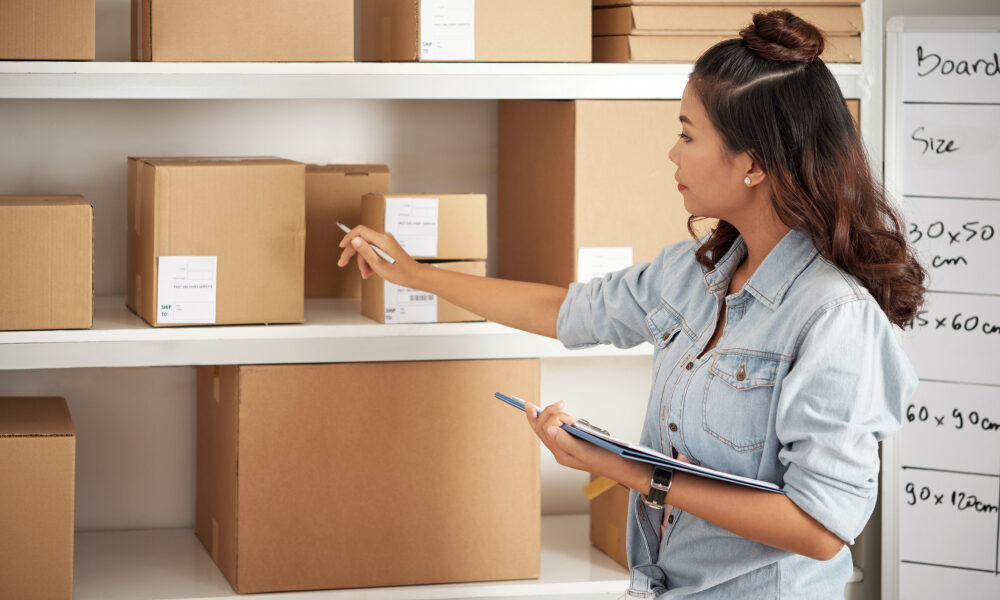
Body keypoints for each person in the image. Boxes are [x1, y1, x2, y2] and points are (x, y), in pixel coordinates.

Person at [337, 10, 925, 598]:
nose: (673, 153)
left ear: (752, 165)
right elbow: (564, 311)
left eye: (689, 135)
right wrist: (415, 274)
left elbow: (822, 528)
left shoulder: (833, 316)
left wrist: (623, 469)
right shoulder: (692, 274)